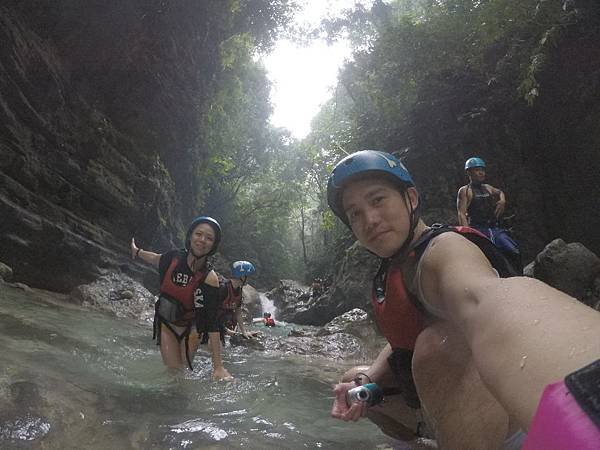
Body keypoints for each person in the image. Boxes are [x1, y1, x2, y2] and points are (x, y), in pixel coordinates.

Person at [327, 150, 600, 449]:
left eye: (378, 200)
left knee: (438, 344)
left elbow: (484, 300)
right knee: (355, 378)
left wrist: (587, 393)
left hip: (507, 429)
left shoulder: (444, 250)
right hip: (437, 414)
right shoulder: (395, 266)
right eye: (355, 213)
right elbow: (402, 341)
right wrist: (368, 376)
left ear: (411, 199)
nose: (370, 219)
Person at [131, 216, 233, 381]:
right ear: (190, 236)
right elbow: (155, 259)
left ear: (213, 245)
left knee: (183, 373)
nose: (202, 240)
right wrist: (137, 252)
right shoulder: (173, 257)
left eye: (209, 238)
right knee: (174, 371)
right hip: (168, 324)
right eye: (198, 234)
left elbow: (213, 323)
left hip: (192, 329)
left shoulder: (209, 279)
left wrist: (218, 366)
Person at [457, 157, 522, 272]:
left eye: (482, 169)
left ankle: (520, 277)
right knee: (490, 257)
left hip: (494, 229)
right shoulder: (465, 191)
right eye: (477, 170)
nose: (481, 173)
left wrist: (502, 201)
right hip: (478, 230)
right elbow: (461, 213)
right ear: (469, 172)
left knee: (513, 250)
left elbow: (500, 192)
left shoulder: (488, 188)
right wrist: (468, 235)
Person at [218, 260, 258, 339]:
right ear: (242, 276)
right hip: (214, 323)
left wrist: (244, 332)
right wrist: (225, 330)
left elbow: (238, 312)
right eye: (247, 276)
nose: (249, 278)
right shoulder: (223, 288)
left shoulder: (239, 290)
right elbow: (211, 312)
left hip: (225, 323)